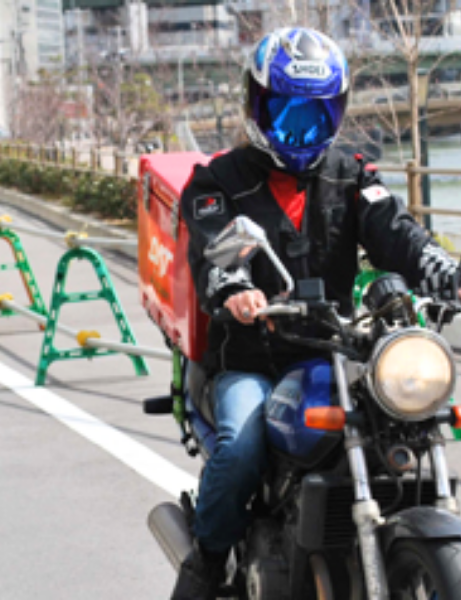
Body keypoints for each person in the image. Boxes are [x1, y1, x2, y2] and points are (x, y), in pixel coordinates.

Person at [173, 26, 461, 600]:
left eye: (315, 114)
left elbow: (399, 234)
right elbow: (214, 248)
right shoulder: (216, 182)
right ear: (257, 104)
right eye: (287, 113)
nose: (300, 129)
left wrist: (446, 272)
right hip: (252, 361)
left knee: (410, 420)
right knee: (242, 448)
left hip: (337, 356)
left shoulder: (351, 176)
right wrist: (235, 288)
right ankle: (204, 567)